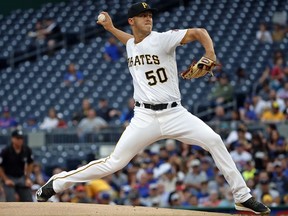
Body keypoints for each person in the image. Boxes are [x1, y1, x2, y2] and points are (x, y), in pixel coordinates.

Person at [36, 2, 270, 214]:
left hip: (175, 113)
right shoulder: (130, 44)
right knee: (114, 163)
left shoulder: (162, 38)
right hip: (144, 117)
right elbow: (129, 41)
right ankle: (57, 183)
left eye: (150, 15)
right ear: (131, 21)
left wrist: (210, 53)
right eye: (142, 15)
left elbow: (200, 32)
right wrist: (109, 28)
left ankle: (242, 196)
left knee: (215, 140)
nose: (148, 18)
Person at [0, 129, 34, 201]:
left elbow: (30, 163)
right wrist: (6, 179)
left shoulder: (27, 150)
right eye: (18, 138)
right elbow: (0, 167)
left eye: (21, 138)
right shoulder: (6, 151)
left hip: (21, 177)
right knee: (10, 200)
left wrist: (27, 178)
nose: (20, 140)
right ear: (12, 139)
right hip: (9, 177)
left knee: (28, 200)